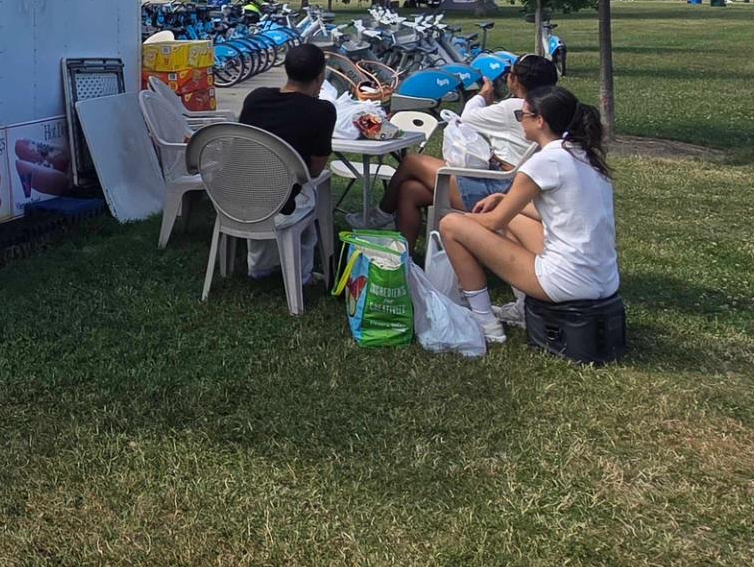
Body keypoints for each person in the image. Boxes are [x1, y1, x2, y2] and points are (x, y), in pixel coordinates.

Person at [435, 85, 618, 343]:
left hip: (565, 282)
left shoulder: (543, 162)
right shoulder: (584, 155)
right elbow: (558, 213)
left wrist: (464, 220)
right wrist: (504, 200)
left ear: (540, 121)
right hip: (603, 279)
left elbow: (494, 221)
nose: (521, 122)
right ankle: (523, 309)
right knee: (516, 219)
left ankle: (484, 321)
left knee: (451, 225)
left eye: (523, 116)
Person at [379, 53, 560, 241]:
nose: (507, 77)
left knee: (411, 161)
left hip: (498, 187)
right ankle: (406, 259)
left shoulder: (514, 108)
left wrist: (483, 94)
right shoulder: (550, 106)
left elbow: (468, 117)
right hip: (514, 186)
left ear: (516, 80)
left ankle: (381, 215)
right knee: (410, 190)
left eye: (509, 73)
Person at [238, 43, 337, 211]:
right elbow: (314, 171)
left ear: (287, 70)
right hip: (280, 201)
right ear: (320, 77)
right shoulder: (322, 111)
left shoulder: (256, 97)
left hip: (234, 192)